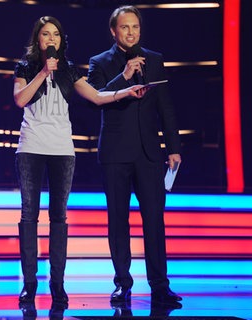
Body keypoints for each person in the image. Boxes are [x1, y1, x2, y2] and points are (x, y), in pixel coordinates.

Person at [13, 16, 145, 305]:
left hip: (61, 149)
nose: (51, 39)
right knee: (28, 215)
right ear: (38, 38)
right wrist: (42, 74)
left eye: (56, 35)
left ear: (62, 41)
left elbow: (97, 97)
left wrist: (125, 89)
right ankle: (30, 284)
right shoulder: (24, 67)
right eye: (46, 34)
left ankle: (57, 284)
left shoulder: (70, 70)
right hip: (31, 146)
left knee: (59, 217)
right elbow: (20, 100)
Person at [86, 5, 183, 308]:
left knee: (154, 220)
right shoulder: (100, 62)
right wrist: (124, 77)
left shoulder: (154, 60)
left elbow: (165, 107)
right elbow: (95, 100)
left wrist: (173, 147)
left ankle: (160, 286)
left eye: (136, 27)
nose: (131, 32)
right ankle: (122, 284)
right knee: (118, 221)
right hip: (116, 153)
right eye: (125, 27)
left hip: (149, 154)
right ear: (113, 31)